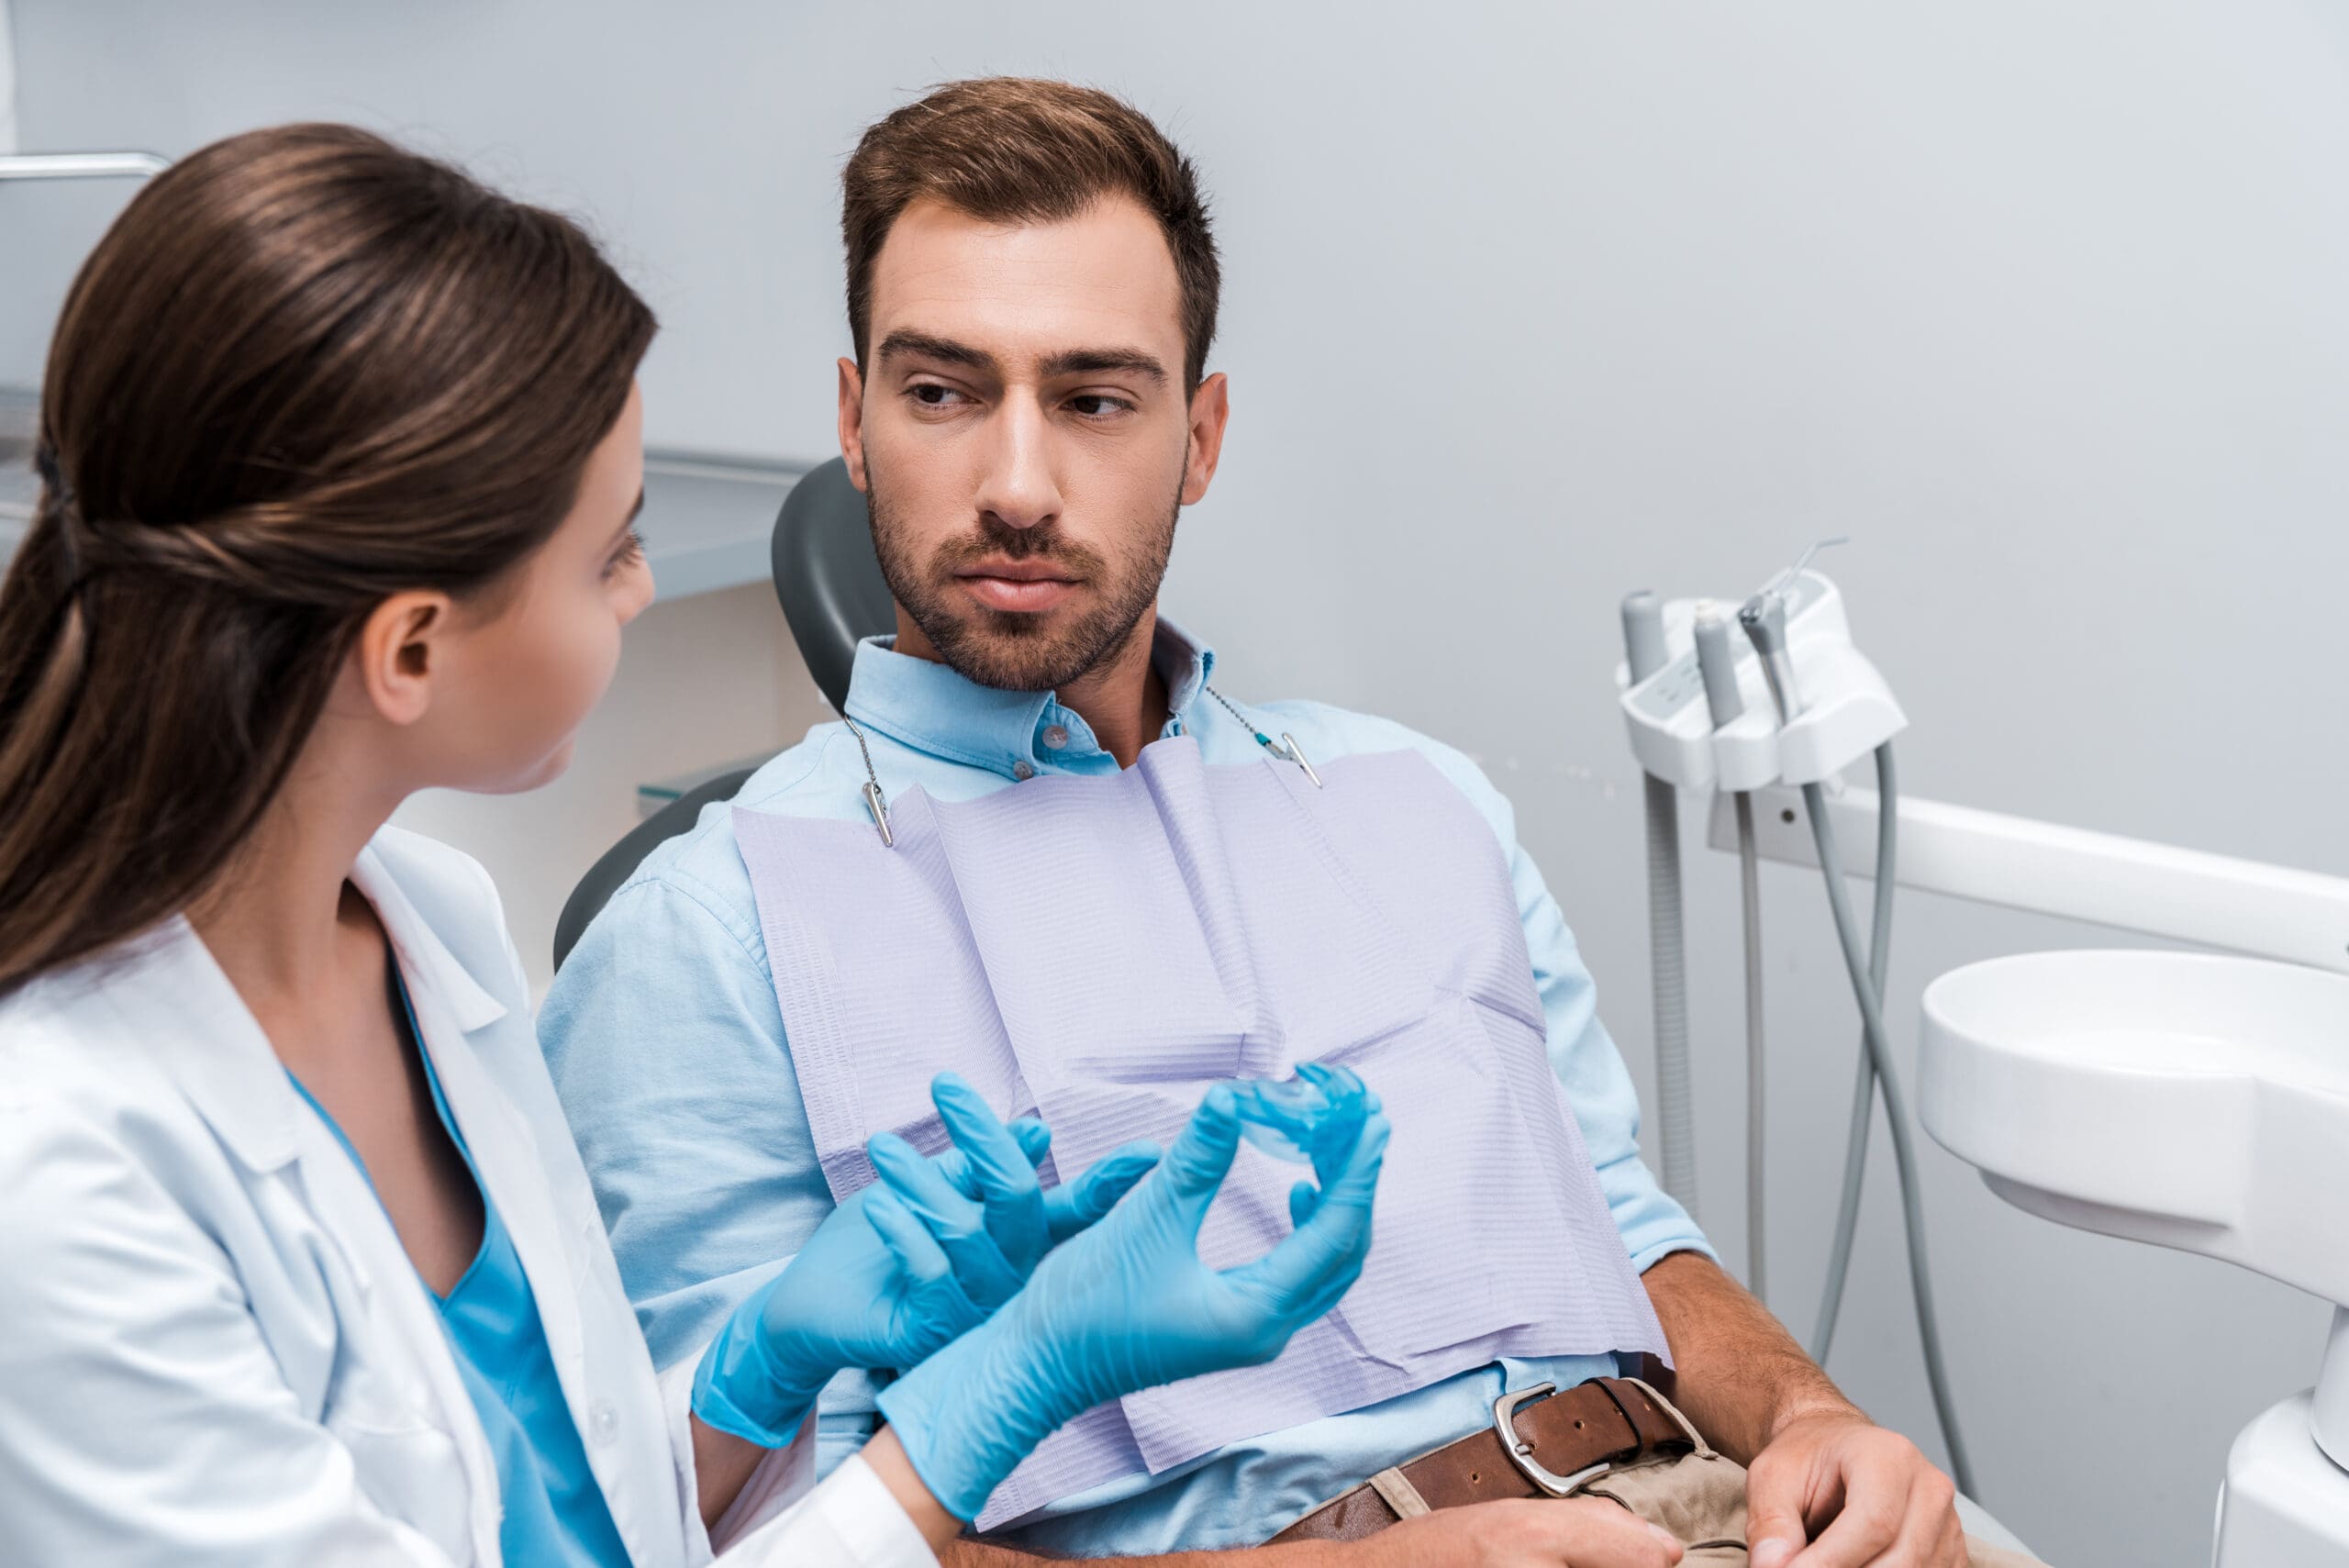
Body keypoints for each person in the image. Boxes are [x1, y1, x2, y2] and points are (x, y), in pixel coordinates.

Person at [542, 79, 2039, 1568]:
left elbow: (1629, 1229)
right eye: (941, 392)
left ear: (1199, 438)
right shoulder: (713, 930)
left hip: (1713, 1497)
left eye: (1093, 398)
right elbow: (735, 1545)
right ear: (855, 423)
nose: (1013, 483)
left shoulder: (1414, 795)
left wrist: (1815, 1419)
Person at [0, 122, 1413, 1568]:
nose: (643, 588)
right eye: (610, 549)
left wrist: (758, 1366)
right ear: (412, 648)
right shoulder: (62, 1180)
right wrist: (1004, 1387)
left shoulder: (427, 930)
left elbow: (571, 1518)